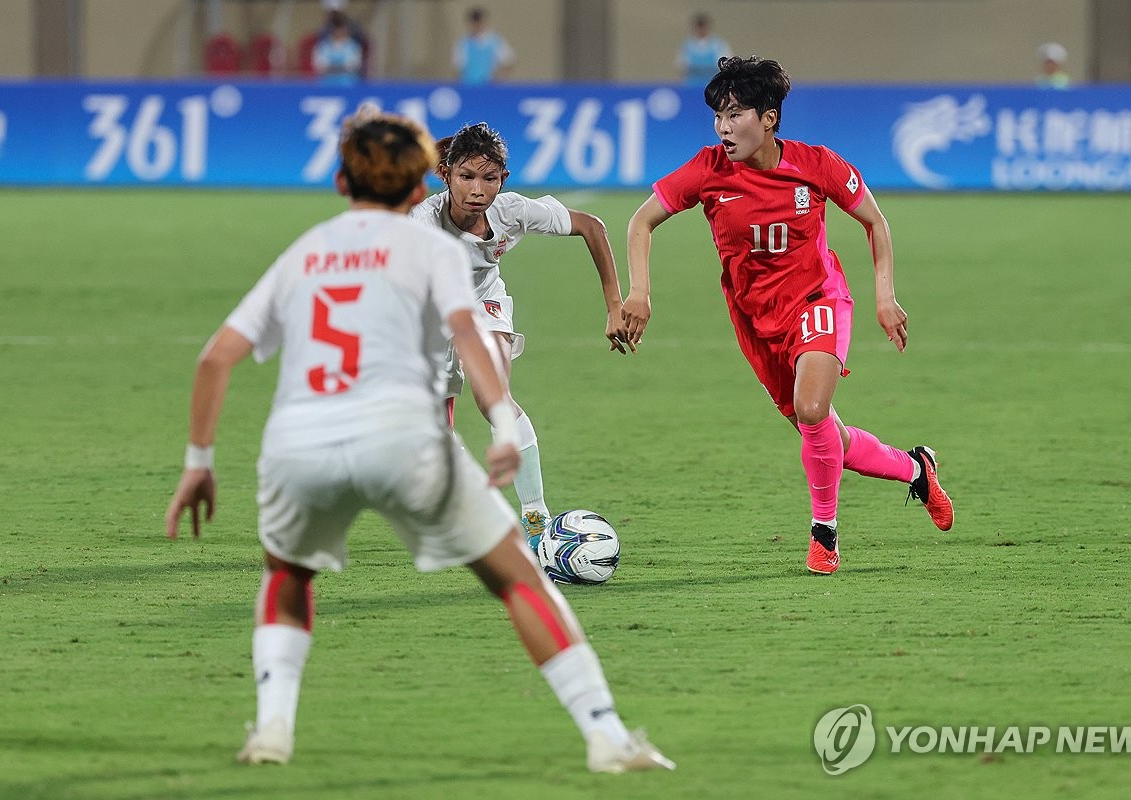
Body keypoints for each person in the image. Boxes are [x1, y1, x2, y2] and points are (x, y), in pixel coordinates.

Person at [164, 106, 672, 773]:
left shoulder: (305, 251)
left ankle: (272, 728)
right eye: (466, 177)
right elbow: (464, 337)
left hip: (301, 439)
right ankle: (604, 733)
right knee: (519, 578)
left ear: (342, 184)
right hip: (399, 433)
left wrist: (199, 462)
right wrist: (500, 420)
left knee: (287, 576)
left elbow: (213, 358)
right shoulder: (424, 242)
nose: (479, 190)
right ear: (422, 187)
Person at [622, 56, 954, 575]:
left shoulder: (816, 164)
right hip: (755, 320)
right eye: (718, 117)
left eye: (736, 115)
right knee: (823, 434)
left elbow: (875, 222)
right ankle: (917, 469)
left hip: (817, 300)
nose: (724, 128)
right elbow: (641, 221)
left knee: (812, 407)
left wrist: (884, 297)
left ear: (769, 118)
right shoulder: (708, 170)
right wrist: (639, 293)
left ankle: (825, 535)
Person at [411, 122, 630, 548]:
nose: (478, 189)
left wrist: (615, 304)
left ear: (503, 180)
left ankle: (535, 517)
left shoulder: (510, 210)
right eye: (466, 177)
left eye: (488, 178)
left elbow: (592, 226)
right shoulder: (421, 223)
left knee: (493, 396)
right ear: (446, 175)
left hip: (483, 305)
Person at [452, 7, 514, 85]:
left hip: (491, 87)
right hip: (469, 86)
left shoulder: (496, 40)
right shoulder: (462, 43)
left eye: (479, 22)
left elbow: (508, 62)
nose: (477, 25)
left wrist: (499, 78)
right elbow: (458, 69)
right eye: (474, 22)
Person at [677, 13, 731, 86]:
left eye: (702, 26)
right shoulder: (688, 45)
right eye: (698, 26)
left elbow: (726, 67)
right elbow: (683, 69)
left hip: (712, 86)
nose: (701, 29)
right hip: (692, 86)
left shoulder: (718, 45)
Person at [311, 13, 362, 85]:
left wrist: (336, 68)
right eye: (336, 28)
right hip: (326, 82)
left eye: (341, 28)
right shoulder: (323, 45)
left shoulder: (353, 46)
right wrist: (334, 68)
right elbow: (319, 65)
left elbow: (353, 65)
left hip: (347, 82)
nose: (339, 31)